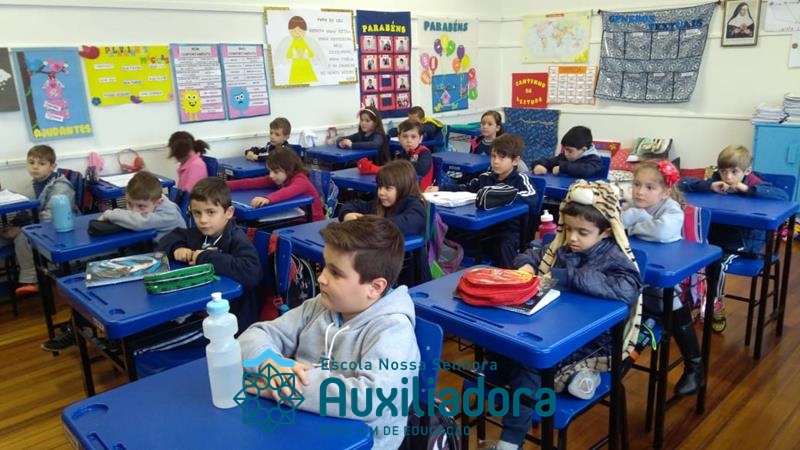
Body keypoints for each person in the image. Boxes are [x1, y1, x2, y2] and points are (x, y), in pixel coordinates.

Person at [482, 181, 642, 450]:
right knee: (502, 346)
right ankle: (533, 386)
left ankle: (510, 442)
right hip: (556, 327)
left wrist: (567, 276)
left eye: (583, 232)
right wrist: (526, 265)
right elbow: (534, 253)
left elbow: (628, 289)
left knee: (529, 362)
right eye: (568, 229)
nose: (573, 238)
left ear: (605, 232)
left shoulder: (613, 256)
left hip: (591, 341)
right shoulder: (564, 247)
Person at [238, 217, 419, 450]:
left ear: (375, 287)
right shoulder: (320, 306)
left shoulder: (393, 330)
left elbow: (372, 399)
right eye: (325, 266)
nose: (321, 278)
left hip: (360, 443)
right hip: (299, 425)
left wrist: (285, 387)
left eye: (335, 273)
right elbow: (253, 336)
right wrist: (270, 363)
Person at [679, 145, 788, 331]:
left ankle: (714, 302)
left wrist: (747, 189)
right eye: (723, 171)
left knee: (717, 263)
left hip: (743, 241)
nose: (728, 177)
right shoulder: (716, 180)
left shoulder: (754, 182)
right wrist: (709, 186)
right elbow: (682, 183)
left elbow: (782, 196)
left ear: (747, 171)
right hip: (715, 237)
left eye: (734, 172)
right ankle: (690, 299)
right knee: (689, 258)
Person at [623, 161, 704, 396]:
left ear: (666, 191)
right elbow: (615, 221)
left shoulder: (672, 209)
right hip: (635, 280)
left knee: (671, 302)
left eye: (649, 187)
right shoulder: (632, 205)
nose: (640, 192)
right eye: (637, 184)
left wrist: (634, 223)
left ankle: (694, 366)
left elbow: (662, 231)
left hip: (665, 280)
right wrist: (634, 218)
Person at [158, 177, 262, 330]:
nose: (203, 220)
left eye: (211, 212)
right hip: (204, 308)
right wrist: (177, 247)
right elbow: (167, 239)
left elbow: (252, 272)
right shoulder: (199, 233)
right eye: (197, 213)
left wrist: (203, 257)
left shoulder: (236, 239)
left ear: (228, 212)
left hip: (233, 319)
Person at [427, 134, 538, 268]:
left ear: (515, 161)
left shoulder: (521, 179)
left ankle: (509, 275)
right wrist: (440, 188)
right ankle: (448, 269)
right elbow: (466, 187)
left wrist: (504, 196)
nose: (496, 161)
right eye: (493, 156)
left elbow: (532, 197)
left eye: (501, 158)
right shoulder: (486, 177)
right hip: (485, 228)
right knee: (452, 232)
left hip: (508, 229)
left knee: (505, 244)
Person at [339, 160, 431, 286]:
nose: (381, 192)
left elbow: (408, 222)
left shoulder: (415, 205)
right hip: (381, 269)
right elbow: (355, 204)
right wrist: (347, 214)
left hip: (409, 277)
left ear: (403, 188)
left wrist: (370, 224)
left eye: (388, 188)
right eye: (380, 187)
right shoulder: (381, 203)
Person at [0, 145, 76, 297]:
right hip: (39, 224)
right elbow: (29, 209)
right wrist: (15, 225)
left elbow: (50, 216)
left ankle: (31, 281)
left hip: (60, 226)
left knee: (24, 236)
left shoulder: (61, 186)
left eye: (41, 163)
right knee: (6, 234)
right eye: (31, 162)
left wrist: (22, 229)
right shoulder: (35, 184)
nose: (35, 167)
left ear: (52, 166)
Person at [228, 148, 324, 222]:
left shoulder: (301, 180)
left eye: (276, 172)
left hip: (311, 222)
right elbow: (252, 182)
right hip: (293, 216)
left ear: (289, 169)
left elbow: (288, 192)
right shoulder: (280, 178)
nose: (271, 175)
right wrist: (225, 184)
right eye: (270, 171)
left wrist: (267, 198)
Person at [99, 171, 186, 239]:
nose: (133, 211)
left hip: (174, 253)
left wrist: (108, 214)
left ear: (158, 202)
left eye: (140, 206)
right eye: (129, 203)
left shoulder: (169, 213)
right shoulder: (152, 201)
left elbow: (139, 223)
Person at [532, 125, 603, 178]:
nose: (565, 153)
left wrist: (562, 168)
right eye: (565, 149)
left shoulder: (595, 161)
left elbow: (586, 171)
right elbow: (548, 162)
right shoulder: (564, 157)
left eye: (570, 151)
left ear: (583, 150)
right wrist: (537, 165)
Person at [286, 16, 318, 84]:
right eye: (294, 31)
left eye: (300, 31)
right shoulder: (293, 43)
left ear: (304, 32)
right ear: (290, 31)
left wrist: (305, 53)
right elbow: (288, 54)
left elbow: (311, 53)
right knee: (296, 79)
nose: (297, 33)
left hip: (305, 63)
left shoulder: (303, 42)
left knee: (308, 79)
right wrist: (294, 54)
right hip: (296, 64)